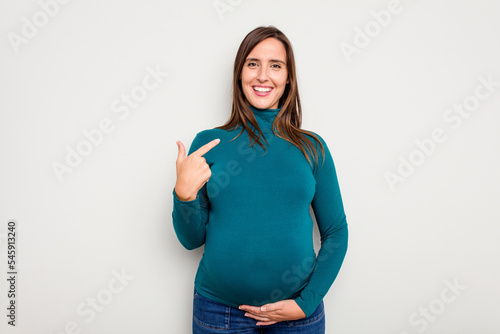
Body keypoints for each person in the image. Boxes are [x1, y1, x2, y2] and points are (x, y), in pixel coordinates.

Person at [172, 26, 348, 333]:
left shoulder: (312, 147)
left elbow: (336, 232)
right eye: (253, 64)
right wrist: (183, 196)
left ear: (288, 78)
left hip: (297, 316)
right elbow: (191, 240)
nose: (263, 76)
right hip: (219, 313)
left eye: (275, 66)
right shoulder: (210, 142)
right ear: (240, 74)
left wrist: (306, 302)